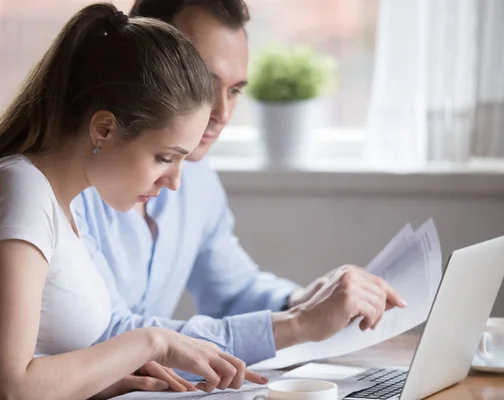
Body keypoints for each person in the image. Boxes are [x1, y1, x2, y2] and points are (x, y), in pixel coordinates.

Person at [0, 4, 267, 399]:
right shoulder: (18, 192)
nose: (175, 181)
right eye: (164, 157)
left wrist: (108, 382)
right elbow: (6, 390)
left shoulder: (61, 202)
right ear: (104, 129)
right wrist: (152, 342)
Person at [72, 0, 407, 378]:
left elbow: (231, 291)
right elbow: (106, 335)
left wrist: (303, 300)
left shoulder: (196, 176)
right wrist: (297, 324)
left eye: (234, 91)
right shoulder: (69, 184)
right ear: (144, 58)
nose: (222, 113)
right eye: (201, 82)